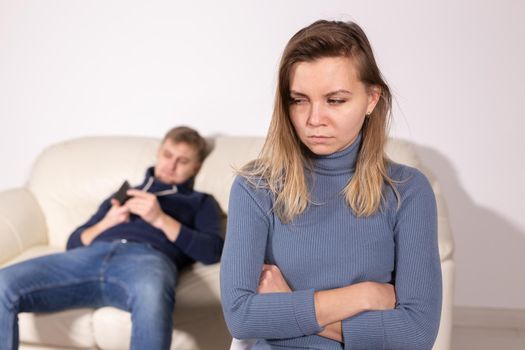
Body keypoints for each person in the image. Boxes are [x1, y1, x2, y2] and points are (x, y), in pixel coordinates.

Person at [220, 20, 442, 350]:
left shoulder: (407, 191)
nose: (314, 119)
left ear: (371, 99)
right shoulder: (256, 188)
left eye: (335, 101)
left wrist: (289, 305)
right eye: (299, 100)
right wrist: (362, 296)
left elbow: (416, 333)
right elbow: (241, 316)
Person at [0, 126, 224, 350]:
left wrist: (159, 219)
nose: (171, 165)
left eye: (182, 161)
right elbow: (74, 242)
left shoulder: (200, 202)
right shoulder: (126, 193)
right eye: (167, 155)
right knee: (3, 283)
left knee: (152, 297)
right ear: (158, 153)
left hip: (146, 260)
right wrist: (107, 222)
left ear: (195, 167)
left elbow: (212, 251)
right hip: (89, 256)